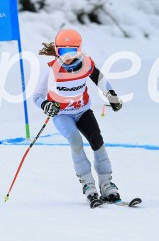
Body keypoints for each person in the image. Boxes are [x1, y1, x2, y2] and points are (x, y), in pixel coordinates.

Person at [31, 28, 124, 207]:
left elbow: (99, 79)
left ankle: (106, 184)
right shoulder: (53, 70)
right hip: (62, 115)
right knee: (75, 140)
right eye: (62, 51)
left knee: (97, 140)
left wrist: (111, 96)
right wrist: (46, 105)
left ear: (79, 49)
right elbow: (37, 96)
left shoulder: (86, 63)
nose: (67, 56)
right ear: (57, 50)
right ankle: (88, 184)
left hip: (82, 111)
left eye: (72, 51)